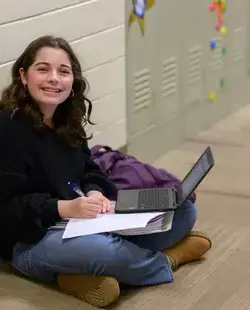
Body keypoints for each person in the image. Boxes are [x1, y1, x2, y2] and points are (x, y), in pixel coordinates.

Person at [0, 36, 212, 308]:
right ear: (23, 75)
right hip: (30, 240)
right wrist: (65, 208)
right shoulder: (7, 127)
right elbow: (7, 210)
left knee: (183, 211)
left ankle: (80, 273)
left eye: (63, 72)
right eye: (42, 69)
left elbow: (90, 168)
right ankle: (168, 259)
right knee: (99, 249)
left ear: (72, 82)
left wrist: (95, 191)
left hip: (85, 220)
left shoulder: (66, 119)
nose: (53, 78)